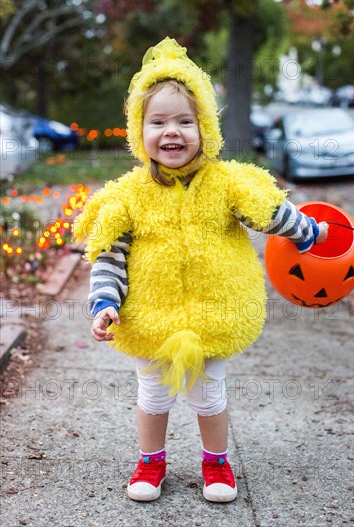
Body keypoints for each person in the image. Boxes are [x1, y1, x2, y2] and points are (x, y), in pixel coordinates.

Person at [74, 37, 328, 504]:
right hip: (149, 317)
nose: (172, 132)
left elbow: (267, 211)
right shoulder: (128, 195)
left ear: (205, 128)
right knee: (152, 396)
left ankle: (217, 461)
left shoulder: (227, 182)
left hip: (216, 313)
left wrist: (306, 232)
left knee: (208, 397)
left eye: (185, 121)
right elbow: (108, 253)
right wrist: (105, 303)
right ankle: (151, 461)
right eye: (158, 122)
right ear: (139, 129)